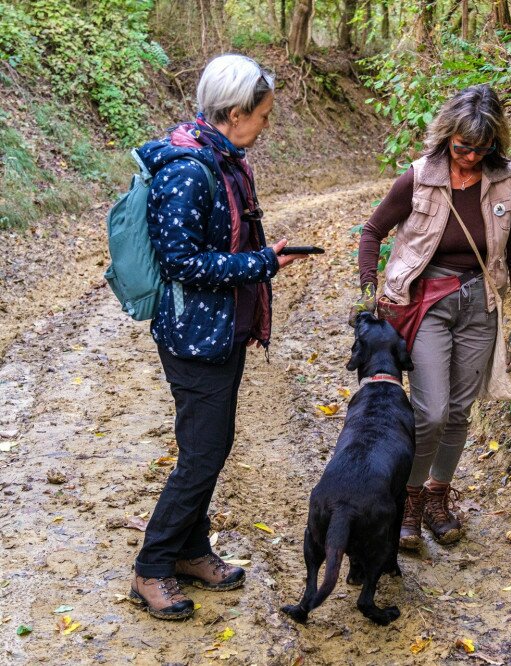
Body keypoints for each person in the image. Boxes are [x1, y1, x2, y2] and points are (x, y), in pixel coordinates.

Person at [129, 54, 308, 620]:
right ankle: (151, 566)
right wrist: (259, 263)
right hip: (192, 335)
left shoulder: (225, 157)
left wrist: (259, 260)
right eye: (262, 115)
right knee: (203, 455)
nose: (266, 126)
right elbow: (181, 262)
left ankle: (190, 550)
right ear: (234, 113)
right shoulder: (189, 169)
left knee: (209, 446)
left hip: (221, 328)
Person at [356, 84, 511, 550]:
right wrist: (367, 291)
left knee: (458, 411)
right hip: (425, 301)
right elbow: (373, 231)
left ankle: (437, 496)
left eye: (483, 147)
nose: (472, 156)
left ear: (496, 142)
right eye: (463, 146)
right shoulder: (417, 177)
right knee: (430, 411)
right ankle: (408, 499)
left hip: (479, 303)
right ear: (448, 135)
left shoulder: (507, 179)